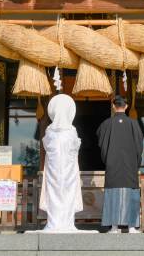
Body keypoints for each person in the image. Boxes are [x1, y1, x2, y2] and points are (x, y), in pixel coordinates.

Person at [97, 94, 144, 233]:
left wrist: (108, 159)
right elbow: (139, 145)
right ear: (127, 106)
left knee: (113, 193)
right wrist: (136, 162)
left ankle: (114, 227)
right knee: (131, 193)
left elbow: (101, 144)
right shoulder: (134, 124)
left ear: (113, 106)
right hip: (130, 165)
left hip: (112, 165)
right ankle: (131, 227)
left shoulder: (106, 124)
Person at [38, 94, 83, 232]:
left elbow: (46, 146)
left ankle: (54, 221)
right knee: (68, 192)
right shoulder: (72, 131)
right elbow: (76, 147)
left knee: (53, 192)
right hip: (68, 168)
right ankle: (67, 222)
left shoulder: (49, 131)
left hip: (53, 168)